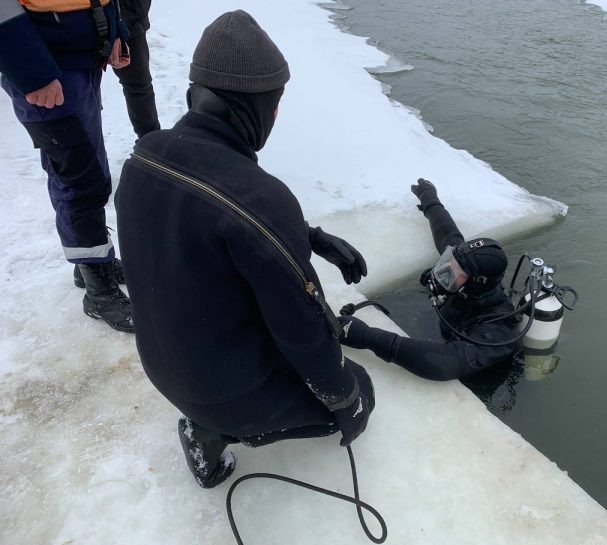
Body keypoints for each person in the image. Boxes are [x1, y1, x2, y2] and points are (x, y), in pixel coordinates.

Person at [114, 10, 374, 489]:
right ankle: (213, 430)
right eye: (274, 104)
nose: (275, 116)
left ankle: (207, 416)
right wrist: (346, 398)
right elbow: (304, 332)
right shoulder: (259, 197)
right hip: (221, 394)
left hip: (160, 366)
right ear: (254, 108)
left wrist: (309, 238)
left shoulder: (143, 157)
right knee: (357, 388)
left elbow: (208, 219)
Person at [0, 0, 134, 332]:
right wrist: (33, 72)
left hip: (81, 58)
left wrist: (115, 30)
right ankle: (98, 291)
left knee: (93, 167)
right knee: (78, 178)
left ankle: (90, 261)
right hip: (47, 66)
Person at [336, 179, 523, 382]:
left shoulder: (498, 331)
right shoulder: (465, 273)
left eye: (455, 271)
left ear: (476, 282)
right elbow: (448, 234)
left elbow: (445, 363)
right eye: (448, 262)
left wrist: (366, 336)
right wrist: (429, 198)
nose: (446, 272)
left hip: (480, 378)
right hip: (446, 326)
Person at [113, 0, 160, 139]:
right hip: (85, 21)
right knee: (85, 94)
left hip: (131, 21)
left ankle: (151, 144)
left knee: (139, 86)